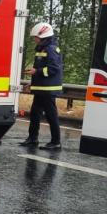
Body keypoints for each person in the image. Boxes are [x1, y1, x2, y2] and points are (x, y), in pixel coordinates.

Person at [19, 22, 63, 151]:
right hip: (40, 89)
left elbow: (54, 69)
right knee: (34, 114)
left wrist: (36, 72)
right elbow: (40, 68)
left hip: (48, 90)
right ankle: (33, 139)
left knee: (51, 116)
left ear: (43, 36)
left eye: (36, 37)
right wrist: (33, 83)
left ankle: (56, 142)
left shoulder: (51, 49)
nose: (34, 40)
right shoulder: (42, 49)